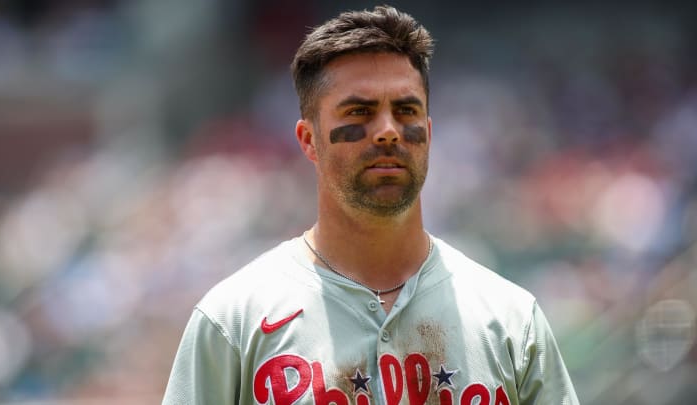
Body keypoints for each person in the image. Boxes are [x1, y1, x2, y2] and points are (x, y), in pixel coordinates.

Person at [162, 5, 579, 404]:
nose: (387, 132)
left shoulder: (510, 319)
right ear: (309, 140)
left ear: (429, 132)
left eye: (405, 110)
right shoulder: (235, 320)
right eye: (360, 110)